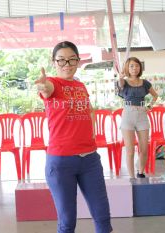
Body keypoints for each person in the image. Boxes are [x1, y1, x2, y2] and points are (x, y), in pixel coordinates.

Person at [35, 41, 113, 233]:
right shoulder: (54, 83)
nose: (67, 65)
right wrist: (43, 85)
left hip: (90, 160)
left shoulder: (80, 85)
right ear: (54, 63)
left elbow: (89, 111)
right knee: (67, 222)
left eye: (72, 60)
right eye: (61, 60)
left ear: (78, 61)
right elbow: (47, 89)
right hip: (61, 162)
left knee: (103, 218)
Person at [116, 57, 158, 178]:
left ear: (140, 68)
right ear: (127, 68)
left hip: (142, 115)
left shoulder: (145, 83)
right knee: (129, 150)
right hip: (128, 115)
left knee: (144, 149)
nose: (135, 68)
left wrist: (149, 106)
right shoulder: (123, 82)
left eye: (137, 66)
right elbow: (120, 83)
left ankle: (140, 172)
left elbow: (155, 96)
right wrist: (120, 77)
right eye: (132, 66)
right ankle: (131, 177)